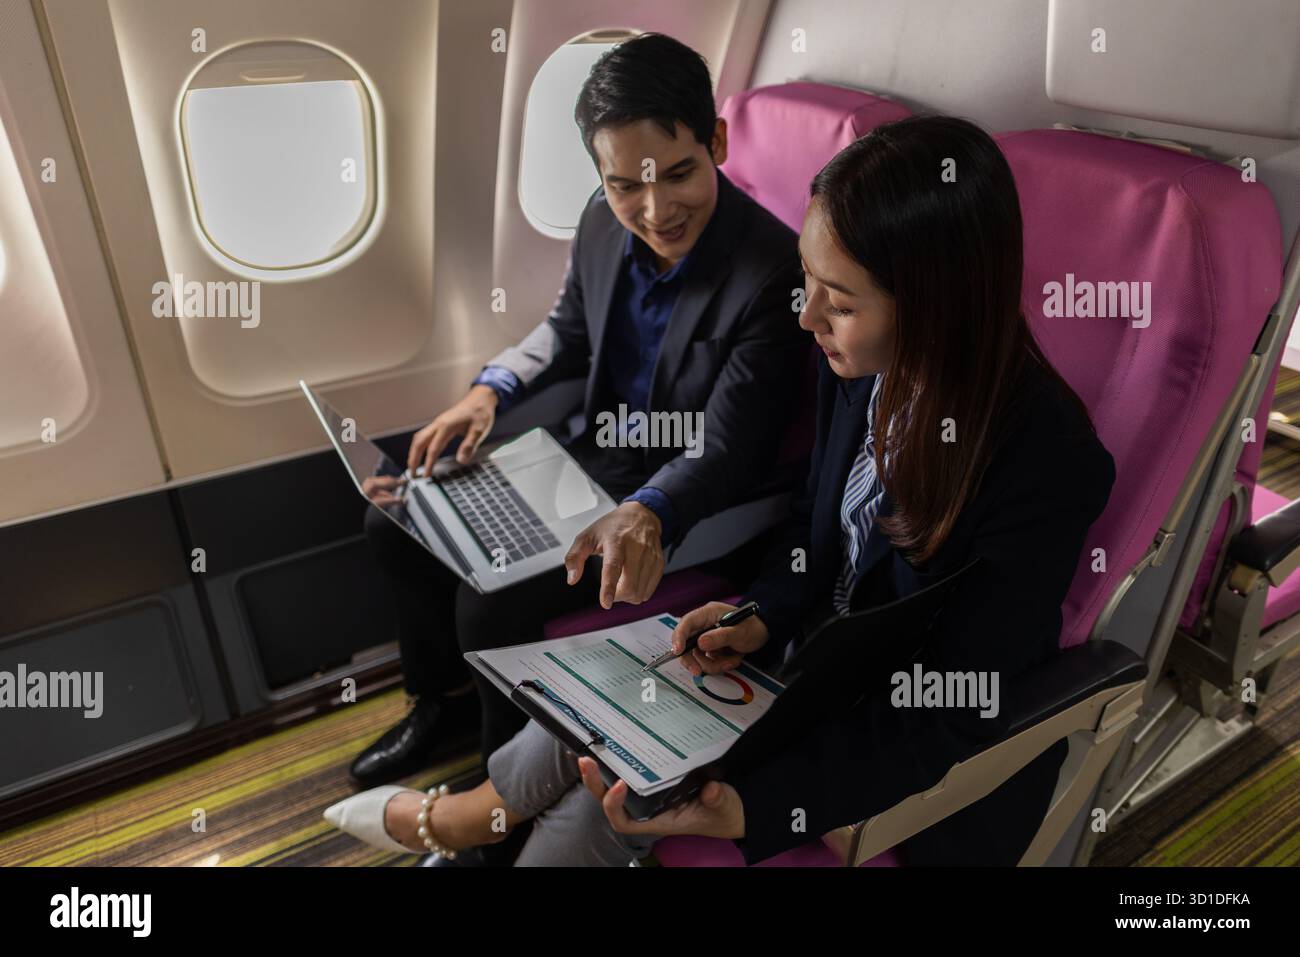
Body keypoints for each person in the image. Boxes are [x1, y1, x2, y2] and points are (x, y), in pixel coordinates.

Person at [327, 114, 1116, 866]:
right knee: (611, 696)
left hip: (879, 723)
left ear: (938, 312)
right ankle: (475, 817)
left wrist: (753, 806)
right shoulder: (863, 368)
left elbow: (955, 699)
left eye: (838, 302)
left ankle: (465, 821)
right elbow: (815, 532)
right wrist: (763, 612)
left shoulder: (1044, 459)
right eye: (808, 283)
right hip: (800, 664)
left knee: (613, 794)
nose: (808, 318)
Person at [351, 32, 806, 796]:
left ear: (717, 141)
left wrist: (648, 509)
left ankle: (497, 808)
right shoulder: (602, 219)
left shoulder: (770, 271)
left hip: (683, 500)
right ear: (601, 175)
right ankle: (449, 703)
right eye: (627, 183)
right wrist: (486, 391)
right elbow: (568, 330)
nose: (656, 210)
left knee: (486, 600)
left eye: (681, 174)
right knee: (394, 518)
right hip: (582, 459)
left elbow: (729, 447)